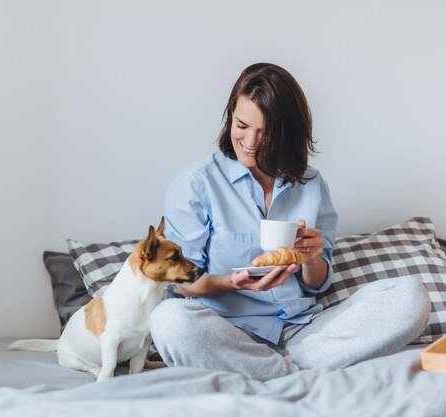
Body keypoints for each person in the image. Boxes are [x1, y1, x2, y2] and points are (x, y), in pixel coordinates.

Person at [149, 63, 431, 381]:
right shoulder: (196, 185)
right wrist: (233, 282)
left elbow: (316, 283)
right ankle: (289, 372)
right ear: (230, 113)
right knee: (169, 320)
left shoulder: (311, 185)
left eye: (265, 131)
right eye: (242, 125)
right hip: (225, 334)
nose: (250, 141)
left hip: (303, 333)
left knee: (411, 296)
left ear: (286, 132)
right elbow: (184, 282)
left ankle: (280, 367)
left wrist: (311, 257)